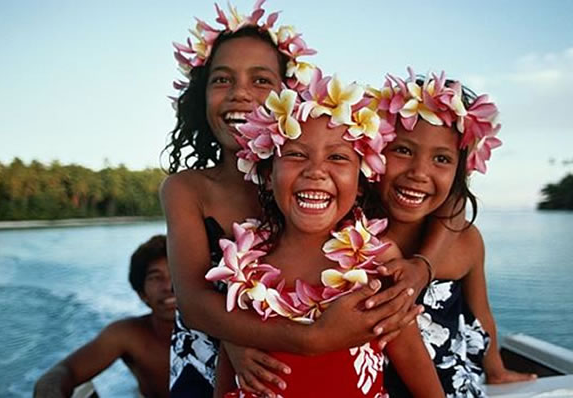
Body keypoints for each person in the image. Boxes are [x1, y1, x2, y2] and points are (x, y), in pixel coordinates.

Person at [160, 3, 428, 397]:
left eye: (261, 80)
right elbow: (196, 305)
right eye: (222, 80)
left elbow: (444, 215)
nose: (240, 93)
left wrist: (420, 269)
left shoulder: (328, 193)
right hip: (221, 358)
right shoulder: (187, 189)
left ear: (290, 97)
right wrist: (304, 338)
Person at [206, 76, 444, 397]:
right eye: (295, 155)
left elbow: (416, 365)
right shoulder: (242, 262)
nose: (315, 171)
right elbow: (227, 374)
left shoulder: (377, 262)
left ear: (360, 182)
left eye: (337, 157)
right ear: (265, 175)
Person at [366, 69, 537, 397]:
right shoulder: (355, 238)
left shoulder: (466, 241)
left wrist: (496, 370)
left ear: (461, 171)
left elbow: (480, 313)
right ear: (374, 151)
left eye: (441, 159)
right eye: (402, 150)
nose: (419, 173)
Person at [33, 235, 174, 398]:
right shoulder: (129, 335)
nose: (168, 286)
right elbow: (62, 373)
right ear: (142, 294)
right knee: (77, 391)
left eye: (175, 274)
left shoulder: (210, 330)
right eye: (156, 277)